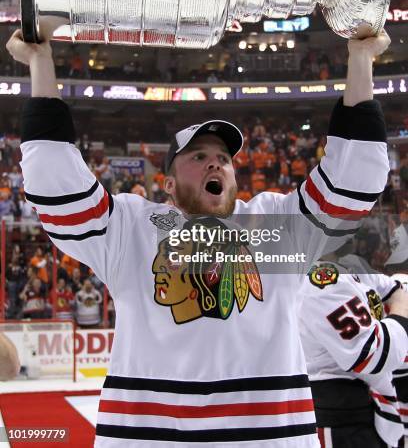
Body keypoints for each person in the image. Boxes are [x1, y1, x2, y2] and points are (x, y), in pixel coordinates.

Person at [7, 26, 391, 447]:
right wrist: (42, 64)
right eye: (198, 157)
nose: (215, 165)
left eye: (224, 159)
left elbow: (353, 178)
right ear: (167, 184)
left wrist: (361, 57)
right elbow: (59, 189)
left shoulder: (275, 226)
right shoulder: (135, 229)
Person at [299, 263, 407, 447]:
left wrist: (399, 298)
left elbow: (391, 287)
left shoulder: (350, 265)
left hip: (365, 406)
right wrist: (403, 308)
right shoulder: (318, 281)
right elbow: (377, 355)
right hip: (339, 415)